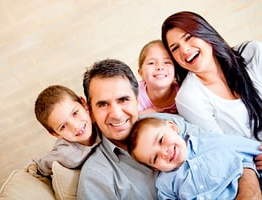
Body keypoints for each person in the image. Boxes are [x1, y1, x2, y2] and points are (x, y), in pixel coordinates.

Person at [76, 58, 260, 199]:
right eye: (102, 104)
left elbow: (223, 150)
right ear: (90, 111)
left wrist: (250, 190)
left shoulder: (163, 123)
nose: (116, 114)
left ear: (137, 100)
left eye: (123, 100)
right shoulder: (95, 176)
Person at [161, 11, 262, 141]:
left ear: (204, 33)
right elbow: (222, 148)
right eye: (175, 48)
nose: (184, 50)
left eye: (188, 37)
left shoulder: (253, 53)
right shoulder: (189, 97)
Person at [127, 117, 261, 199]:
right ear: (154, 167)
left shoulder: (214, 142)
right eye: (155, 158)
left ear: (173, 128)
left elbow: (253, 149)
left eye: (161, 140)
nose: (164, 152)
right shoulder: (165, 184)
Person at [32, 85, 100, 176]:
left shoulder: (102, 121)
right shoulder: (64, 154)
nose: (75, 126)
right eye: (63, 126)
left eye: (75, 113)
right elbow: (38, 167)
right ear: (55, 134)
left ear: (83, 104)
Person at [138, 39, 179, 115]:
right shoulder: (135, 96)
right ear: (141, 73)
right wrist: (142, 116)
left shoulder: (182, 92)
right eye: (151, 63)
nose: (160, 67)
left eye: (167, 62)